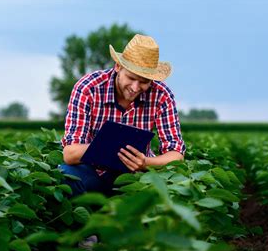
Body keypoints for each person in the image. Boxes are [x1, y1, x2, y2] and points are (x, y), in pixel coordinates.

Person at [59, 34, 186, 198]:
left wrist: (145, 163)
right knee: (66, 177)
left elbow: (176, 155)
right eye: (131, 78)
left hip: (136, 174)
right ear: (118, 66)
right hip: (92, 170)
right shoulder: (88, 88)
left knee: (168, 190)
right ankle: (84, 221)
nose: (135, 87)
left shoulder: (161, 95)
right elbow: (70, 154)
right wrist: (108, 148)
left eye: (144, 82)